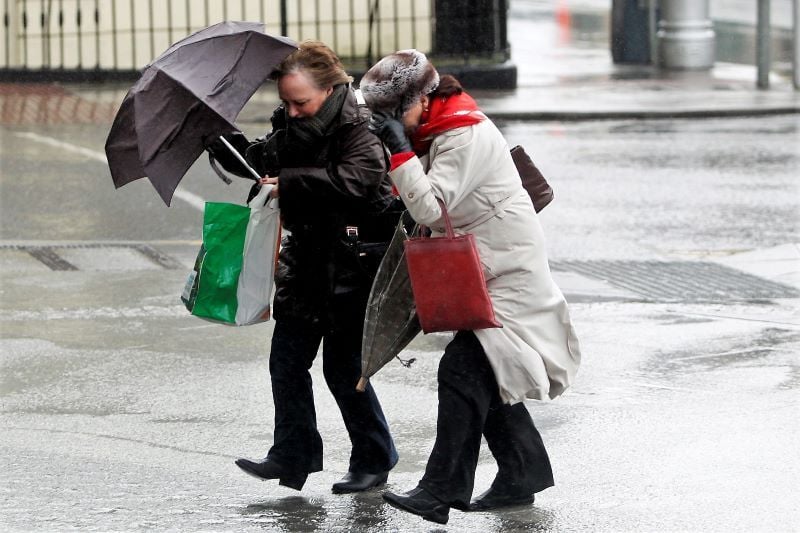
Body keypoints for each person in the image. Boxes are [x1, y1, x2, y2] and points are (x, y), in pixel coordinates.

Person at [359, 50, 582, 524]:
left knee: (463, 369)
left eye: (392, 114)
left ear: (420, 99)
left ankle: (440, 490)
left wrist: (399, 150)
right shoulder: (437, 129)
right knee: (486, 368)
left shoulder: (463, 133)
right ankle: (523, 472)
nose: (388, 123)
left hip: (507, 267)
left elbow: (430, 208)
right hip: (484, 263)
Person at [206, 41, 400, 494]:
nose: (292, 111)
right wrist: (222, 141)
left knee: (342, 368)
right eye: (286, 103)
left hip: (353, 265)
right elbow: (263, 159)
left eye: (301, 102)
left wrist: (290, 185)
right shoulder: (295, 126)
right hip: (307, 262)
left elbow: (358, 181)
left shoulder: (359, 126)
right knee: (287, 362)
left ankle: (374, 456)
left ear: (331, 89)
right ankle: (293, 454)